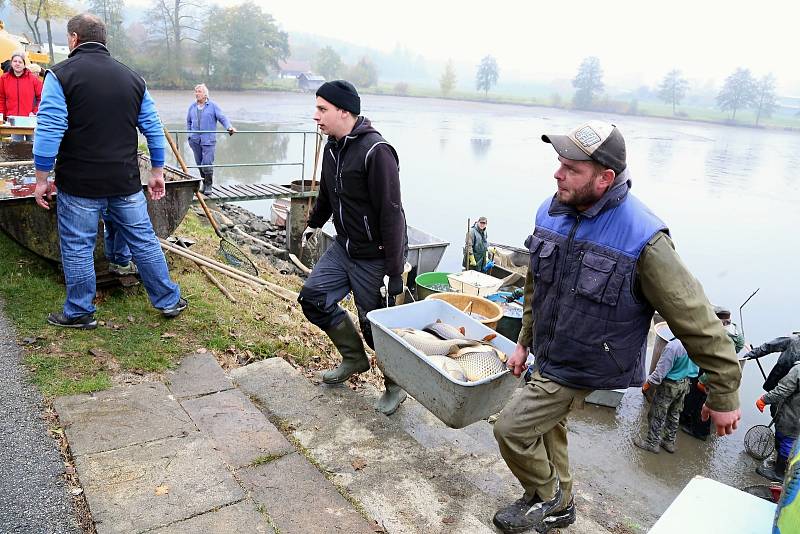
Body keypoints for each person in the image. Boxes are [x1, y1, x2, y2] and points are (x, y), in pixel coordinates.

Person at [491, 120, 742, 533]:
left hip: (589, 360)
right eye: (559, 163)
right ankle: (563, 502)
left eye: (572, 168)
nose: (558, 174)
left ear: (605, 178)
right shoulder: (550, 210)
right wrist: (524, 342)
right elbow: (537, 286)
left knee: (512, 429)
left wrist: (725, 390)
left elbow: (694, 317)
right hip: (550, 352)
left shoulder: (644, 237)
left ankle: (547, 498)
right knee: (549, 427)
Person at [32, 13, 187, 329]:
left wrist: (41, 178)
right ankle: (169, 301)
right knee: (143, 241)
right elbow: (154, 131)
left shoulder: (59, 76)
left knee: (78, 246)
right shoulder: (133, 79)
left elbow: (49, 130)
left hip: (79, 184)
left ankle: (79, 312)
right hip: (125, 181)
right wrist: (157, 171)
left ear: (74, 39)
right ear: (103, 40)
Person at [297, 80, 408, 416]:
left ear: (343, 111)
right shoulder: (332, 147)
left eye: (322, 109)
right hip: (344, 248)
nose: (315, 116)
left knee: (375, 328)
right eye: (316, 108)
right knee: (313, 299)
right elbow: (329, 194)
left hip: (374, 257)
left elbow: (392, 214)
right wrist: (315, 223)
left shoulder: (378, 152)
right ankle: (353, 359)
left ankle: (395, 385)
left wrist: (394, 271)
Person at [680, 304, 746, 441]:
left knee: (701, 399)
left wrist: (703, 380)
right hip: (713, 369)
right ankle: (686, 418)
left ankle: (700, 432)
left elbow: (718, 365)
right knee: (694, 394)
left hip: (711, 370)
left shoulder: (720, 335)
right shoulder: (735, 330)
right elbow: (738, 348)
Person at [634, 337, 699, 453]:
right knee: (674, 413)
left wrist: (648, 385)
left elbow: (660, 372)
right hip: (685, 383)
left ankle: (651, 443)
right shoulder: (696, 344)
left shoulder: (673, 346)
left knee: (657, 414)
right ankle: (669, 442)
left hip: (669, 386)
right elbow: (695, 369)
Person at [186, 83, 236, 195]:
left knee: (207, 162)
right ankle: (204, 183)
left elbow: (222, 118)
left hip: (208, 140)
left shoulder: (213, 106)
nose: (196, 94)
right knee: (199, 163)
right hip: (194, 140)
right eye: (196, 91)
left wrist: (229, 127)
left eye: (199, 91)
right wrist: (189, 135)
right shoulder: (192, 107)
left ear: (205, 95)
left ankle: (209, 185)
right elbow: (188, 122)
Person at [755, 361, 800, 482]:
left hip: (793, 416)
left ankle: (779, 473)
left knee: (787, 441)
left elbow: (783, 389)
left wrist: (764, 399)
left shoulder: (798, 370)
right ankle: (784, 468)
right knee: (791, 441)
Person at [0, 51, 43, 141]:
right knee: (16, 147)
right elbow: (1, 98)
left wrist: (35, 112)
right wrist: (2, 115)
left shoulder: (33, 79)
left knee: (32, 145)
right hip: (13, 120)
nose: (17, 64)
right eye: (15, 61)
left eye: (20, 62)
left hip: (30, 120)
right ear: (11, 63)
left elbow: (42, 97)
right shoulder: (4, 79)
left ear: (24, 64)